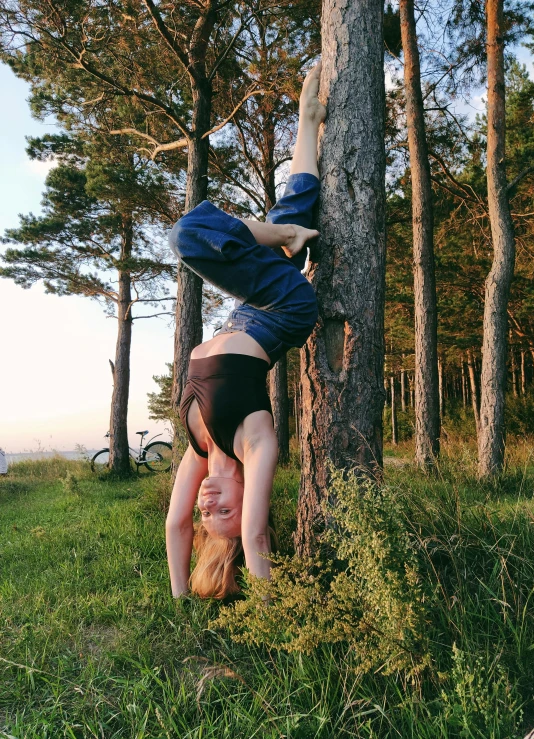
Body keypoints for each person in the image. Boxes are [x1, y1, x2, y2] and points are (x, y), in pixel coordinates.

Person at [165, 62, 326, 599]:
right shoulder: (255, 445)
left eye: (208, 512)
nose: (208, 502)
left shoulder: (199, 448)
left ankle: (308, 126)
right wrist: (273, 613)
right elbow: (255, 539)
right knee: (190, 235)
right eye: (225, 507)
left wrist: (181, 600)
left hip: (251, 310)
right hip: (285, 310)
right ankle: (286, 231)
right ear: (248, 490)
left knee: (290, 219)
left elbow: (174, 527)